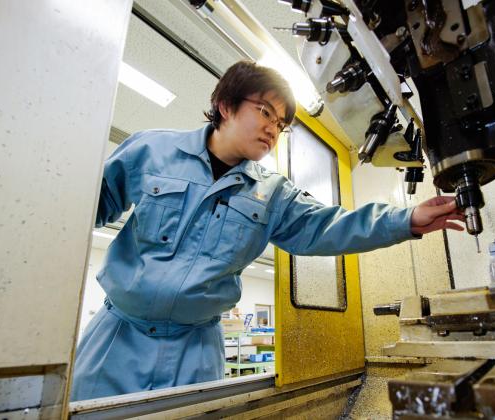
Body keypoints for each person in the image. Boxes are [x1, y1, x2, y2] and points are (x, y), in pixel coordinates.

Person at [70, 60, 463, 400]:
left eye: (281, 124)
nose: (274, 129)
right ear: (225, 105)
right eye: (265, 112)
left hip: (195, 351)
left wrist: (405, 219)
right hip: (117, 339)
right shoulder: (151, 151)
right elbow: (76, 210)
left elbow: (329, 226)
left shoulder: (272, 193)